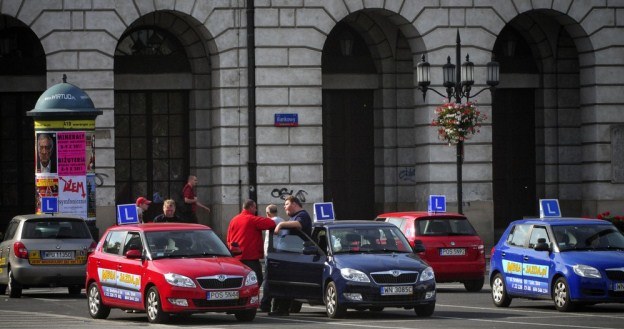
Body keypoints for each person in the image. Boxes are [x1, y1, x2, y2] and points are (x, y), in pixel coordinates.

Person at [269, 195, 312, 316]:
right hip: (287, 255)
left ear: (294, 204)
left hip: (294, 256)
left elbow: (298, 225)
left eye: (286, 204)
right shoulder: (293, 217)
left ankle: (282, 309)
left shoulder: (302, 215)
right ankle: (281, 307)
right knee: (283, 282)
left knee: (286, 283)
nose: (284, 207)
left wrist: (281, 225)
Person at [226, 199, 276, 299]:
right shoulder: (252, 219)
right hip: (250, 257)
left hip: (236, 257)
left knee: (239, 281)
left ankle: (235, 298)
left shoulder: (234, 220)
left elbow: (228, 238)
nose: (256, 209)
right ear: (251, 207)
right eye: (255, 207)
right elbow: (271, 224)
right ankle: (250, 299)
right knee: (257, 279)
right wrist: (273, 216)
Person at [260, 204, 286, 312]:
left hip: (272, 254)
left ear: (268, 213)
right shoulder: (282, 220)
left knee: (268, 280)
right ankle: (276, 304)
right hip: (281, 253)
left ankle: (265, 303)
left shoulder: (272, 222)